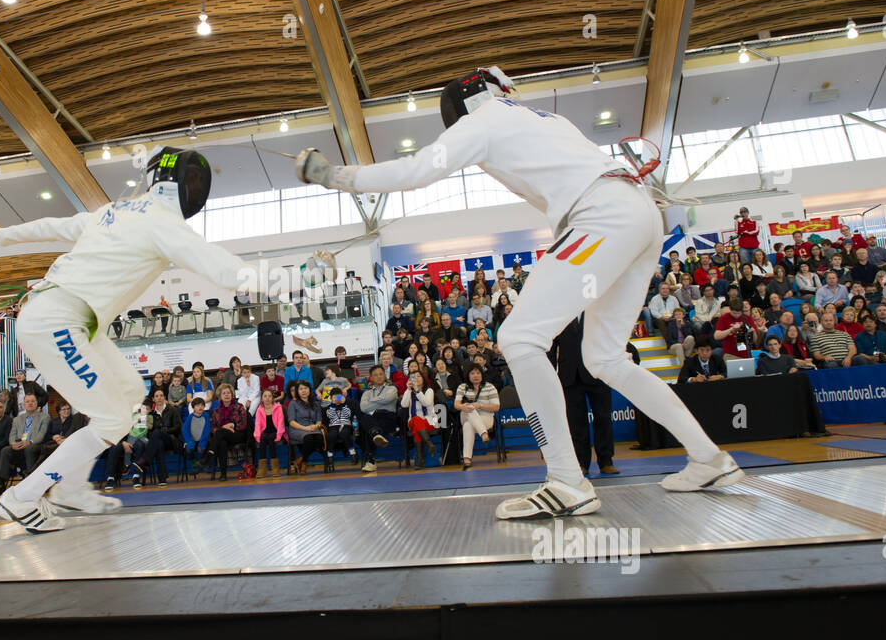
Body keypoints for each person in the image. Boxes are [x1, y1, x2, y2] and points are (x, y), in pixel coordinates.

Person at [297, 67, 742, 516]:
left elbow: (416, 170)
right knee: (604, 358)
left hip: (601, 216)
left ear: (462, 108)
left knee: (518, 338)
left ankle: (568, 482)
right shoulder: (544, 119)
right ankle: (708, 457)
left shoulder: (482, 120)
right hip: (641, 214)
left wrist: (332, 175)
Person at [0, 146, 252, 531]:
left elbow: (55, 226)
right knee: (111, 420)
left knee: (127, 392)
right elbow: (221, 266)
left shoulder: (114, 212)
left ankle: (70, 489)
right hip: (59, 321)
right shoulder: (162, 223)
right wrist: (278, 280)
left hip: (70, 320)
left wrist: (3, 234)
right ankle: (22, 496)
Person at [549, 316, 618, 477]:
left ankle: (606, 461)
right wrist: (551, 374)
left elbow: (609, 340)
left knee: (603, 418)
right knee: (576, 423)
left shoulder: (597, 311)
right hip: (569, 376)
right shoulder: (560, 315)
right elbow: (551, 348)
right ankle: (581, 463)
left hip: (597, 373)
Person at [453, 364, 498, 470]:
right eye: (472, 373)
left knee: (468, 426)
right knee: (469, 407)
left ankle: (467, 458)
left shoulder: (490, 387)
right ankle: (484, 434)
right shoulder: (462, 387)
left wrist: (480, 405)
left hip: (486, 418)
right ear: (468, 375)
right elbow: (456, 404)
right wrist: (462, 406)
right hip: (466, 414)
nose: (475, 375)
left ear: (482, 374)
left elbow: (496, 407)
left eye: (478, 373)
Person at [285, 380, 325, 474]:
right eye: (301, 389)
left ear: (310, 390)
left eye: (306, 388)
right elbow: (291, 422)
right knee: (309, 439)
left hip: (312, 428)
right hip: (297, 429)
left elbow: (319, 420)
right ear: (297, 391)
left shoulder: (315, 404)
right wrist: (305, 428)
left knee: (319, 438)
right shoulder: (293, 404)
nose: (303, 391)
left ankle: (299, 460)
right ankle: (304, 464)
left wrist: (316, 426)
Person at [252, 389, 286, 478]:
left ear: (272, 398)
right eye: (265, 396)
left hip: (276, 431)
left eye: (269, 396)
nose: (267, 398)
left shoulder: (278, 408)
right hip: (265, 432)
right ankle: (262, 468)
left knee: (271, 438)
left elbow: (281, 423)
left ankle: (275, 467)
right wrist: (257, 436)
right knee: (263, 438)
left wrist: (279, 435)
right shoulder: (259, 409)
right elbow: (258, 424)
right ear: (262, 399)